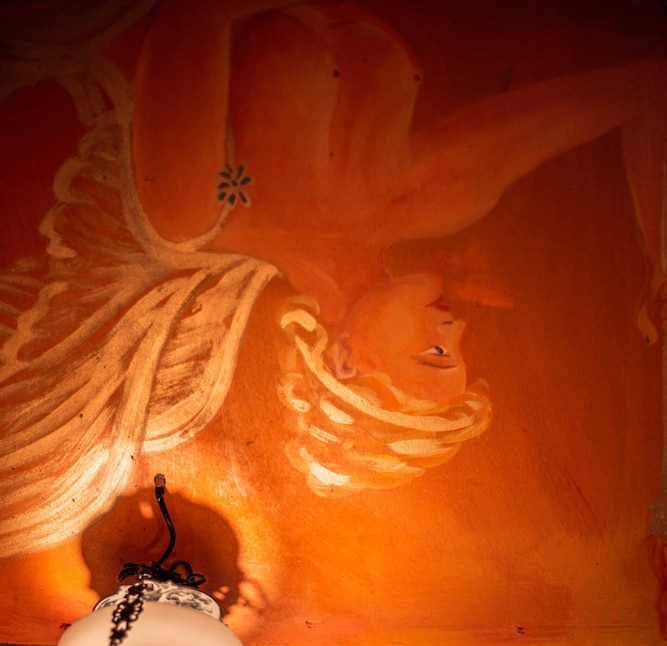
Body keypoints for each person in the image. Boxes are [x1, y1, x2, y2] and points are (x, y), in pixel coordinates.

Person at [0, 0, 665, 557]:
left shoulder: (194, 212)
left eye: (435, 353)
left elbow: (193, 11)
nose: (456, 326)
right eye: (457, 347)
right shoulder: (442, 197)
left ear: (345, 360)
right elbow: (641, 87)